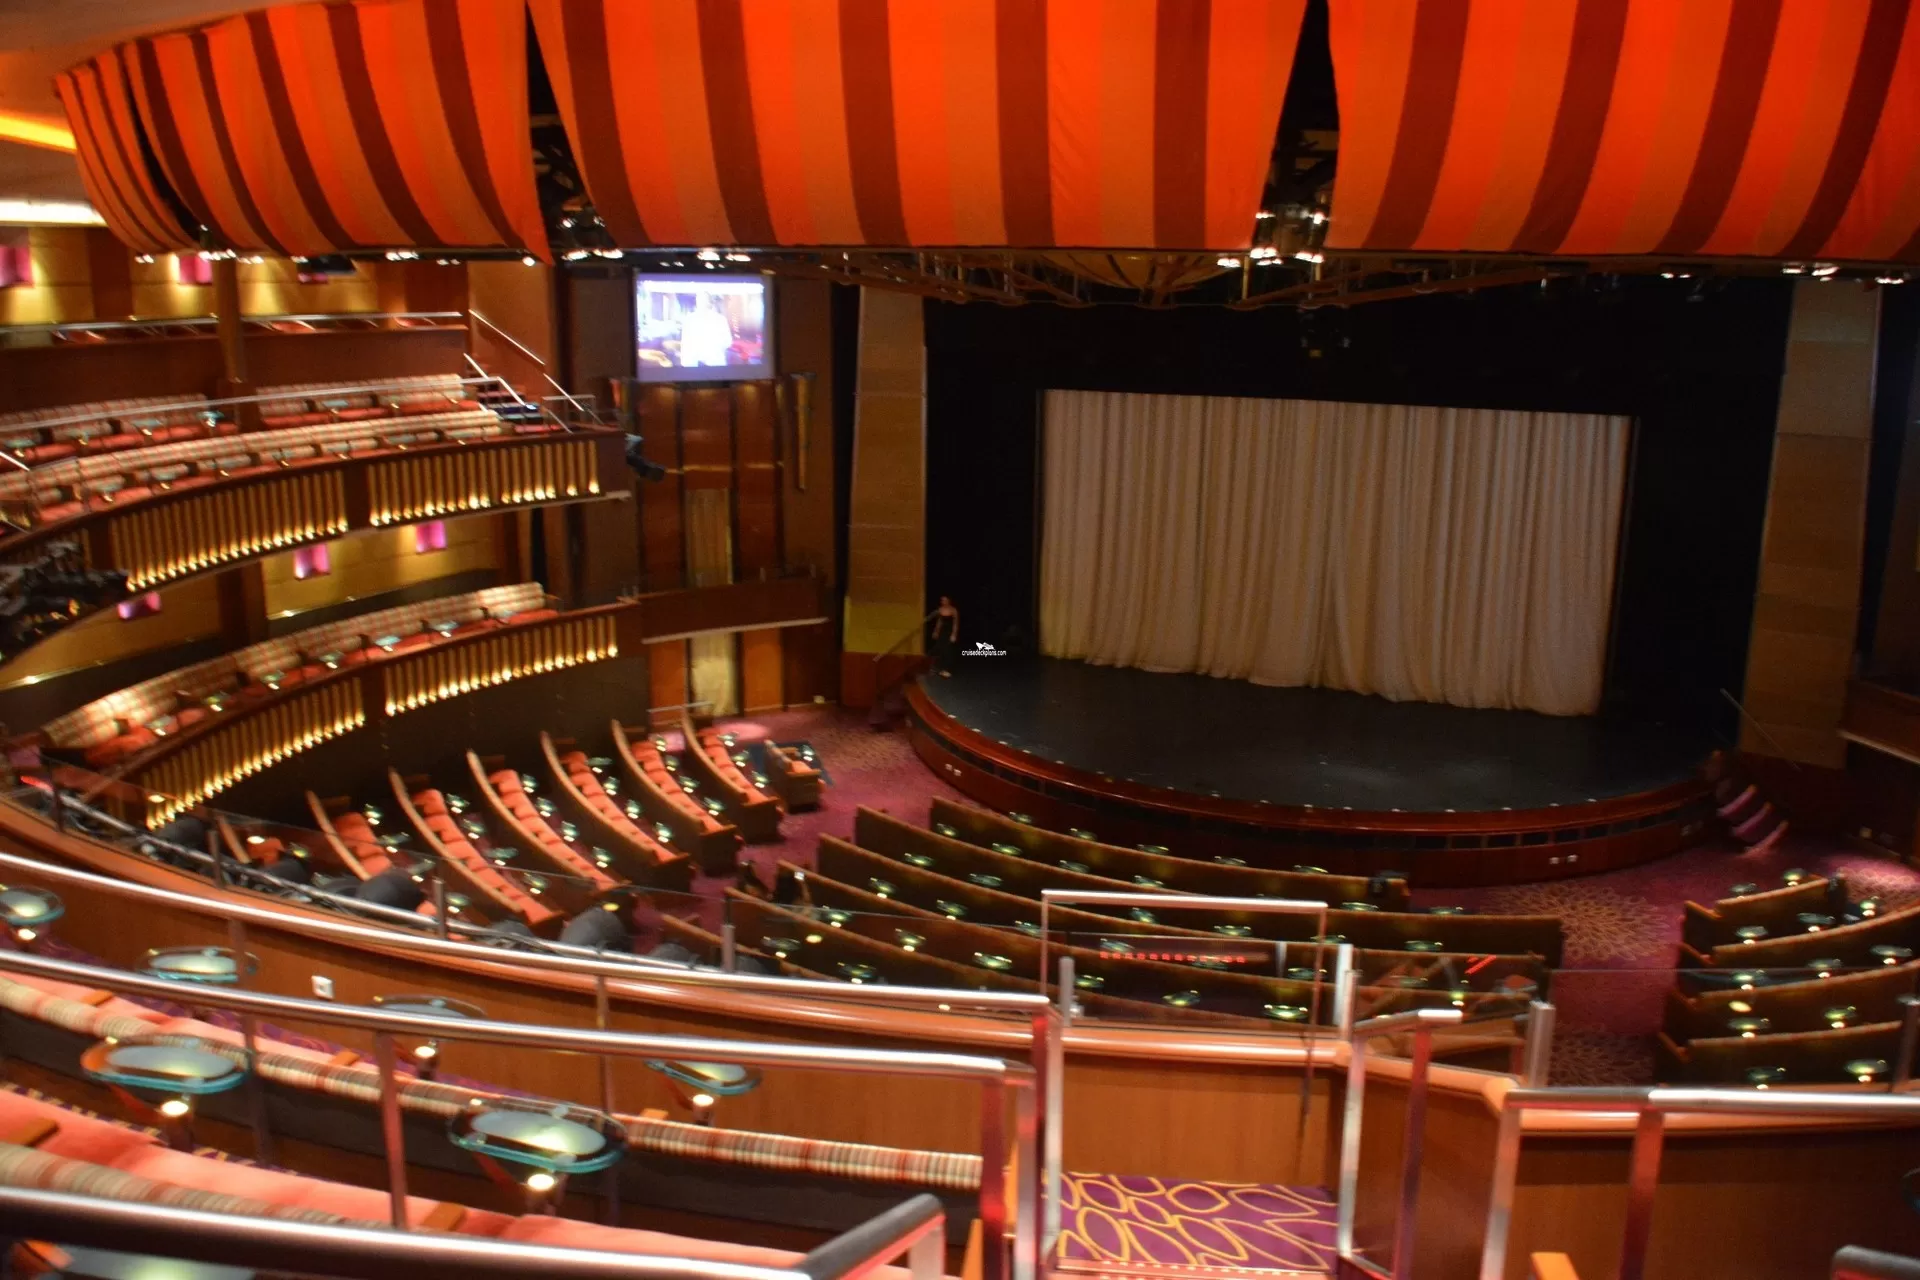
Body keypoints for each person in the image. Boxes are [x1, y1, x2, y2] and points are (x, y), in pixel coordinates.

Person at [931, 595, 960, 677]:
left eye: (944, 600)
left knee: (948, 650)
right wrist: (936, 631)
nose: (943, 602)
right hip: (942, 632)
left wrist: (954, 634)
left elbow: (955, 623)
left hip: (949, 631)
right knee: (940, 648)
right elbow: (939, 622)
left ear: (948, 600)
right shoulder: (940, 609)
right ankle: (939, 668)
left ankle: (948, 670)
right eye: (942, 600)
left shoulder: (953, 610)